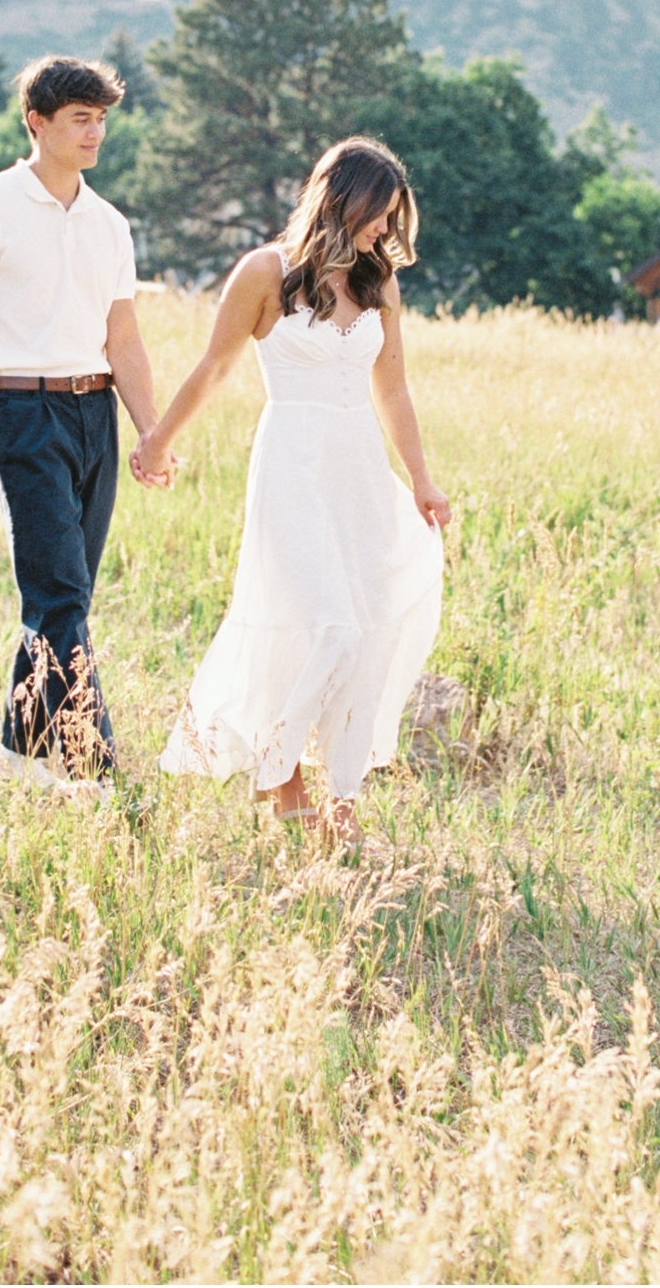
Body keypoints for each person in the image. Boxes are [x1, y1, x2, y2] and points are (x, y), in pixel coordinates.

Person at [135, 136, 452, 844]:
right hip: (292, 465)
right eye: (379, 215)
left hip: (359, 468)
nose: (384, 232)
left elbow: (393, 388)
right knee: (327, 624)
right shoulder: (265, 273)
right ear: (342, 199)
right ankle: (281, 776)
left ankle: (339, 792)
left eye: (393, 219)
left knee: (366, 629)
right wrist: (159, 439)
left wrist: (422, 479)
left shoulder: (379, 283)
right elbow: (214, 367)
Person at [0, 54, 168, 798]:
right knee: (60, 594)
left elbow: (123, 339)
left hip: (95, 413)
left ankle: (21, 753)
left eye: (100, 119)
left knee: (62, 598)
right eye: (80, 119)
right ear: (37, 122)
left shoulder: (110, 224)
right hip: (20, 410)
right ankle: (93, 769)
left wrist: (150, 432)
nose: (95, 133)